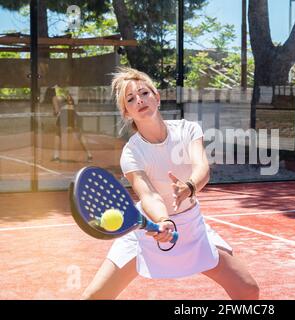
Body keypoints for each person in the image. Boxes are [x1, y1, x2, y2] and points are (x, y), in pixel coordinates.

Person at [81, 67, 259, 300]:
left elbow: (202, 168)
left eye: (144, 93)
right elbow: (149, 196)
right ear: (126, 112)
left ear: (157, 97)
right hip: (146, 230)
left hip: (191, 225)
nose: (140, 101)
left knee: (247, 290)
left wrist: (190, 186)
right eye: (131, 99)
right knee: (94, 297)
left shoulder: (188, 129)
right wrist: (163, 221)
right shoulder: (131, 153)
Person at [49, 87, 93, 162]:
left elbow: (55, 98)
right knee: (80, 135)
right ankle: (89, 155)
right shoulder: (73, 95)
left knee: (58, 133)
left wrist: (56, 111)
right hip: (73, 113)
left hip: (64, 112)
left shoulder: (63, 93)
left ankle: (56, 156)